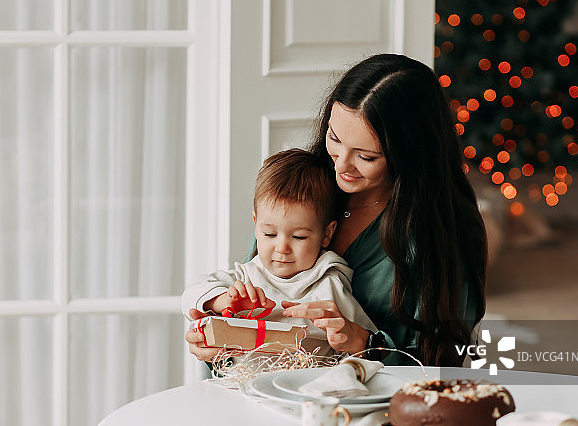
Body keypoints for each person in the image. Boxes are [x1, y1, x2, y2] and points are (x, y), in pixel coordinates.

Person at [185, 53, 487, 366]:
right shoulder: (299, 192)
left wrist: (363, 343)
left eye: (366, 157)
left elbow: (445, 363)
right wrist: (217, 346)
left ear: (410, 154)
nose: (340, 166)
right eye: (334, 138)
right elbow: (250, 299)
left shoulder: (442, 233)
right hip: (264, 388)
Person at [181, 148, 376, 356]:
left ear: (326, 234)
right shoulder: (245, 278)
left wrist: (346, 345)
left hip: (312, 375)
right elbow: (190, 294)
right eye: (270, 234)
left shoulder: (330, 284)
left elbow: (370, 346)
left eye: (299, 237)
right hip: (245, 376)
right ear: (256, 224)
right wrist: (223, 301)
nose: (282, 248)